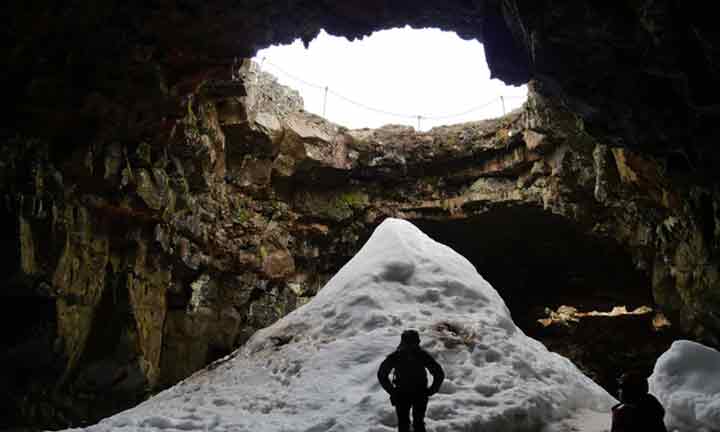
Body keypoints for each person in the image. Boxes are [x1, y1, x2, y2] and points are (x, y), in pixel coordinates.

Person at [377, 329, 445, 432]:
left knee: (404, 424)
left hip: (402, 394)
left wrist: (392, 391)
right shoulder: (422, 355)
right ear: (417, 341)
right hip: (419, 393)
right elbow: (438, 373)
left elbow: (382, 374)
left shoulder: (396, 356)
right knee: (418, 423)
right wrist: (431, 390)